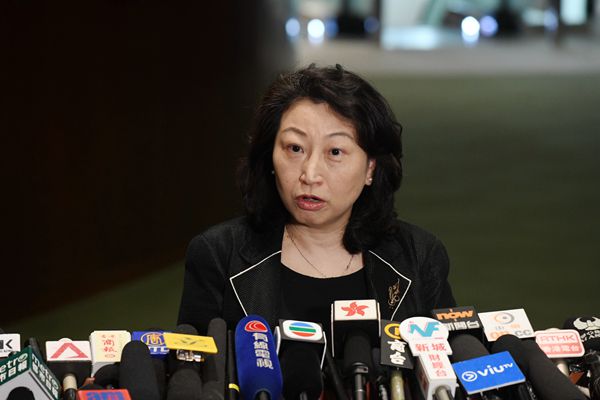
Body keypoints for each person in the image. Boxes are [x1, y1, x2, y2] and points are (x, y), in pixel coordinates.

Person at [177, 64, 455, 334]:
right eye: (295, 148)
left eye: (335, 152)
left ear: (370, 167)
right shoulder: (219, 254)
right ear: (270, 156)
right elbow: (196, 361)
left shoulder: (419, 256)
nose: (310, 175)